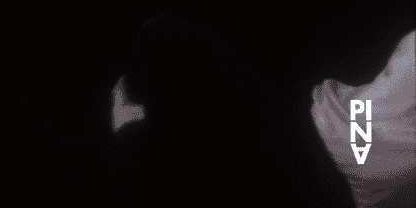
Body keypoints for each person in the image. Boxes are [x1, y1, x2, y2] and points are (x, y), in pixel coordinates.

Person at [111, 15, 414, 208]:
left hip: (311, 136)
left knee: (162, 35)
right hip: (328, 166)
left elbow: (368, 122)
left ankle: (133, 133)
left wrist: (356, 137)